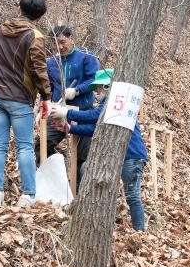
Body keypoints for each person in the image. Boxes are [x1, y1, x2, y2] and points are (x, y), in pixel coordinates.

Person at [50, 69, 148, 231]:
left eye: (99, 87)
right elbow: (95, 129)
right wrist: (70, 128)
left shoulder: (115, 105)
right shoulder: (109, 106)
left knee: (132, 195)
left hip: (131, 156)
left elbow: (94, 115)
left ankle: (140, 231)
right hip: (117, 157)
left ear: (108, 86)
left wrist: (67, 112)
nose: (97, 92)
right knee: (86, 168)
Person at [0, 0, 51, 207]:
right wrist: (46, 97)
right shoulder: (35, 36)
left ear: (18, 9)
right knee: (24, 147)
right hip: (20, 98)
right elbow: (39, 70)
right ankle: (28, 195)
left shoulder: (2, 29)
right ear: (39, 18)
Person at [41, 25, 100, 158]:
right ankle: (55, 168)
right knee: (43, 144)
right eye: (56, 44)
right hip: (58, 111)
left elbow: (94, 80)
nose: (60, 47)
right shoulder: (51, 63)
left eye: (62, 42)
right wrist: (43, 107)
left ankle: (77, 172)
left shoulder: (86, 57)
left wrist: (77, 90)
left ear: (71, 38)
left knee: (82, 155)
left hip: (82, 112)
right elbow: (47, 88)